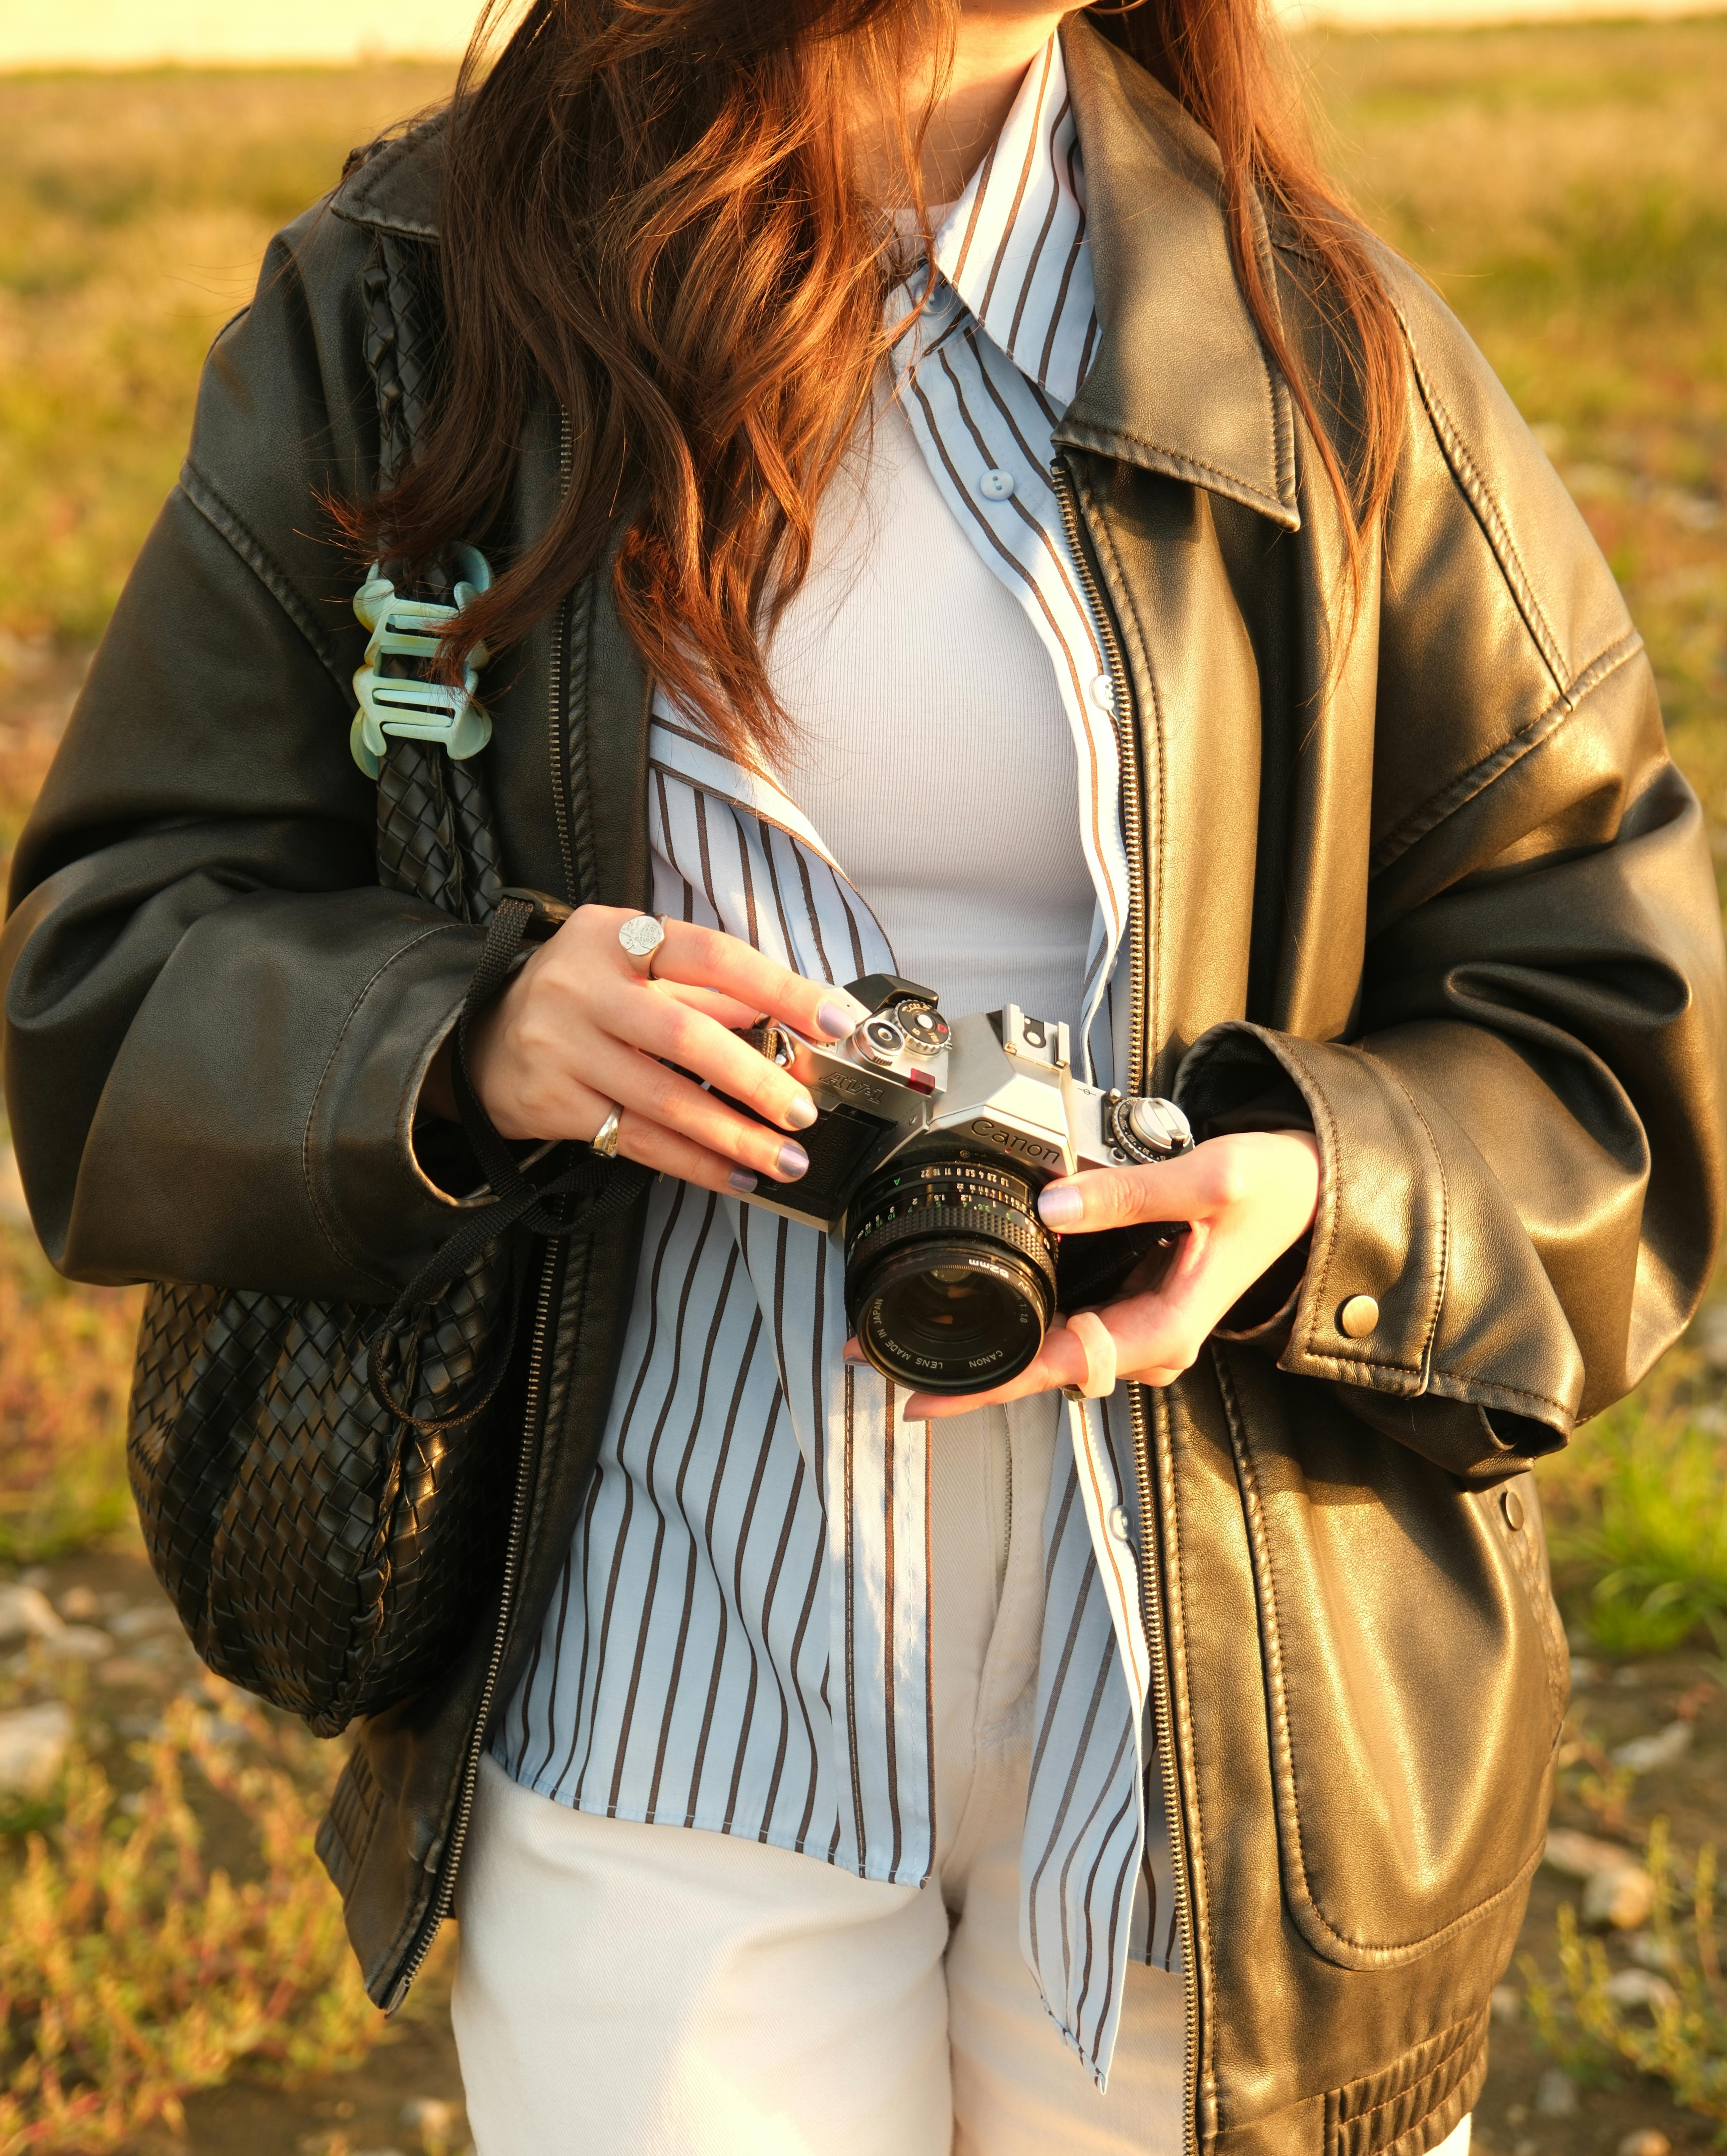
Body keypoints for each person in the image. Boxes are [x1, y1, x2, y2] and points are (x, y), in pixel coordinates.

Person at [4, 0, 1723, 2145]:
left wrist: (1312, 1193)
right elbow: (113, 950)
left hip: (1233, 1691)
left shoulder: (1316, 343)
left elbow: (1606, 1017)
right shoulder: (414, 300)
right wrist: (466, 1033)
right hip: (654, 1632)